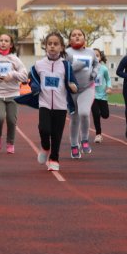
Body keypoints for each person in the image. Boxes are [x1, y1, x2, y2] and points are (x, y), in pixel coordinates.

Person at [16, 32, 77, 171]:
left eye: (56, 44)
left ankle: (54, 158)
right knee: (44, 128)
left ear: (61, 47)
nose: (52, 46)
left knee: (56, 134)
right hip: (44, 103)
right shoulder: (38, 65)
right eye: (49, 44)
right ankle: (45, 147)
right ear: (45, 46)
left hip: (61, 106)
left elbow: (73, 83)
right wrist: (34, 86)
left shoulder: (66, 66)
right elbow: (32, 81)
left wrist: (74, 86)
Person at [0, 33, 28, 154]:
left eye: (6, 41)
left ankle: (10, 142)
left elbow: (24, 76)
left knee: (11, 120)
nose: (3, 43)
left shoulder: (15, 60)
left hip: (13, 94)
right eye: (1, 40)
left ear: (11, 44)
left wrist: (13, 74)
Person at [66, 29, 98, 158]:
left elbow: (96, 64)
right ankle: (74, 145)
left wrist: (94, 72)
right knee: (74, 119)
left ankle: (84, 139)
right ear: (70, 40)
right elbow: (62, 69)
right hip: (71, 90)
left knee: (84, 113)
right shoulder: (67, 53)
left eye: (80, 34)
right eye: (74, 35)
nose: (77, 36)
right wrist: (75, 66)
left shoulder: (90, 52)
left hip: (87, 88)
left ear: (84, 38)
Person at [91, 48, 112, 143]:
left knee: (105, 115)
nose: (95, 57)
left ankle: (100, 113)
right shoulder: (88, 69)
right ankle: (98, 134)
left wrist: (109, 87)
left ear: (100, 57)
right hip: (92, 96)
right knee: (96, 114)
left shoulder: (103, 69)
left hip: (103, 95)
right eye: (93, 56)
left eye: (97, 55)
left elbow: (108, 79)